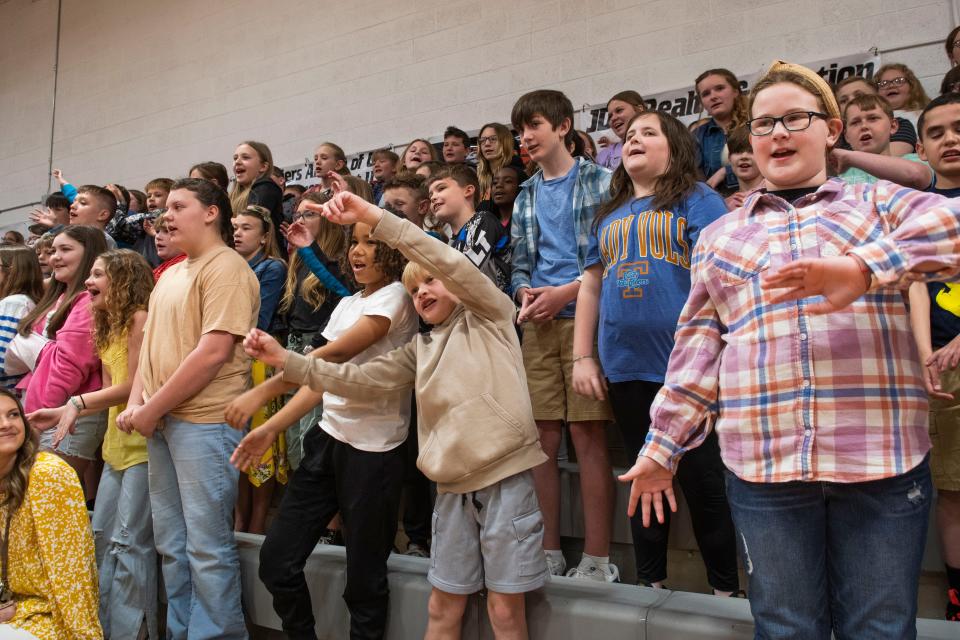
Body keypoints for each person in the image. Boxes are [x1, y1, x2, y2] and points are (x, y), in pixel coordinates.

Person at [622, 60, 944, 639]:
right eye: (764, 124)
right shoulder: (722, 234)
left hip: (879, 459)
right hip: (764, 469)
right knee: (785, 629)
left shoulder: (879, 207)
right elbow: (696, 351)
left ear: (832, 130)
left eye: (795, 118)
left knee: (882, 630)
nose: (777, 134)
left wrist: (866, 268)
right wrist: (662, 447)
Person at [235, 191, 549, 640]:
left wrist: (373, 216)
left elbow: (447, 261)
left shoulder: (492, 313)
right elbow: (359, 378)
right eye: (415, 288)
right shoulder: (418, 349)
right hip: (451, 490)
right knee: (441, 608)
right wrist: (287, 361)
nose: (422, 292)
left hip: (503, 480)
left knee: (503, 612)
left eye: (431, 283)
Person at [572, 110, 740, 594]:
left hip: (689, 373)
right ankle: (651, 586)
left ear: (677, 149)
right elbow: (589, 285)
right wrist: (583, 356)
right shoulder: (608, 215)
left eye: (649, 133)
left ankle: (727, 591)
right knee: (643, 480)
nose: (634, 140)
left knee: (704, 486)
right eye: (628, 136)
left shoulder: (698, 199)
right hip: (625, 369)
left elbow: (721, 277)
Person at [227, 212, 417, 640]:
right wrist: (271, 427)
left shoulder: (396, 299)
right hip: (328, 440)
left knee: (365, 583)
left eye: (370, 242)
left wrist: (263, 391)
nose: (357, 250)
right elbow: (319, 380)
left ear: (392, 249)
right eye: (355, 241)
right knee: (277, 561)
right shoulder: (349, 303)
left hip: (375, 454)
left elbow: (331, 359)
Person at [116, 178, 258, 639]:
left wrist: (151, 409)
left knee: (207, 548)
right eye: (165, 208)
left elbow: (214, 352)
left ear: (212, 212)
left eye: (179, 206)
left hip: (205, 424)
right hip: (164, 421)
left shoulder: (227, 267)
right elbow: (151, 351)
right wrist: (138, 402)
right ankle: (182, 632)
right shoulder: (172, 273)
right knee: (173, 546)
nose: (166, 216)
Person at [510, 89, 617, 581]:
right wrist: (526, 293)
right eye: (519, 130)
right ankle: (548, 552)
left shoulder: (602, 182)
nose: (525, 137)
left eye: (533, 125)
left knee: (588, 435)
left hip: (586, 321)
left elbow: (614, 258)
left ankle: (598, 558)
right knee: (542, 439)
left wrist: (566, 293)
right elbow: (518, 264)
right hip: (540, 324)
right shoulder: (526, 193)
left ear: (563, 126)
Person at [28, 250, 157, 638]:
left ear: (124, 280)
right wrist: (64, 412)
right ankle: (99, 628)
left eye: (98, 274)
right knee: (100, 541)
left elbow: (135, 384)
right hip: (115, 449)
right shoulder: (108, 324)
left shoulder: (139, 320)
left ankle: (131, 632)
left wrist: (75, 403)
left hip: (141, 450)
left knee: (130, 546)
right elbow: (106, 391)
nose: (88, 281)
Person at [910, 92, 960, 621]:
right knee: (952, 487)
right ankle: (957, 597)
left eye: (959, 127)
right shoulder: (922, 210)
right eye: (938, 133)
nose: (950, 139)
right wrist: (924, 353)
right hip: (944, 369)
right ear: (921, 148)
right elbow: (917, 285)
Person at [0, 388, 101, 639]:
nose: (6, 424)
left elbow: (73, 576)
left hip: (48, 619)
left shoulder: (48, 476)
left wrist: (82, 635)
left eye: (13, 415)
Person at [18, 226, 107, 481]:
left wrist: (38, 416)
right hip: (44, 407)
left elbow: (69, 366)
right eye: (53, 250)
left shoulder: (87, 302)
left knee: (52, 501)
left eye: (65, 250)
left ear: (90, 255)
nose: (55, 257)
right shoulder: (59, 297)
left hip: (63, 411)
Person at [272, 191, 350, 472]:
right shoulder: (299, 259)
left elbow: (343, 297)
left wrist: (316, 345)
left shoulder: (337, 260)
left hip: (318, 349)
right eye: (298, 214)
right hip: (293, 346)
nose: (301, 220)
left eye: (309, 214)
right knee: (292, 437)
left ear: (326, 219)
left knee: (309, 436)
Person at [231, 204, 289, 535]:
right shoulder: (227, 267)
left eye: (247, 227)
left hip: (258, 361)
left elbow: (260, 320)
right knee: (238, 440)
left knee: (260, 442)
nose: (237, 232)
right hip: (233, 359)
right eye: (235, 226)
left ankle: (256, 522)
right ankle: (240, 519)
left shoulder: (272, 268)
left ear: (265, 237)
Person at [427, 164, 511, 294]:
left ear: (468, 191)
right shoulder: (451, 244)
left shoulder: (484, 220)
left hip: (505, 309)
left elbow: (467, 272)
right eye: (431, 194)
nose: (432, 197)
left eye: (441, 188)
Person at [836, 94, 931, 189]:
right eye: (855, 122)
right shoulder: (838, 172)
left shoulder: (916, 160)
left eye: (872, 118)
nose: (863, 126)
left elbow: (917, 175)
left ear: (893, 126)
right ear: (846, 136)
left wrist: (848, 157)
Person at [693, 69, 749, 194]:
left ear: (735, 91)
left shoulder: (756, 124)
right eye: (706, 94)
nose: (713, 96)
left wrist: (726, 171)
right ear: (702, 102)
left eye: (719, 88)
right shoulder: (696, 136)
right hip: (720, 207)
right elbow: (698, 185)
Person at [833, 76, 917, 156]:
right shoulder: (833, 137)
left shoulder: (901, 124)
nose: (852, 101)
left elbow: (889, 161)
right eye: (843, 100)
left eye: (860, 96)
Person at [0, 247, 43, 391]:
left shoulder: (14, 303)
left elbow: (2, 360)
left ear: (13, 270)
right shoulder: (21, 301)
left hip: (7, 392)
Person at [229, 140, 285, 251]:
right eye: (235, 158)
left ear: (263, 166)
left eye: (245, 157)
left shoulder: (267, 186)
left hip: (266, 262)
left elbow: (249, 222)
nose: (237, 162)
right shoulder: (233, 195)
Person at [595, 91, 645, 170]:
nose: (613, 118)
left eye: (619, 110)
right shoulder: (603, 157)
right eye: (610, 116)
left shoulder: (662, 143)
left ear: (639, 110)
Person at [475, 122, 520, 206]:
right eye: (483, 140)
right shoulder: (479, 177)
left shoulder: (515, 173)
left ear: (505, 142)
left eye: (493, 139)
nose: (487, 144)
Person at [875, 63, 932, 127]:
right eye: (884, 83)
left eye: (898, 81)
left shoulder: (929, 116)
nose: (891, 86)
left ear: (912, 86)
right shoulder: (871, 122)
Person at [723, 126, 764, 210]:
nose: (744, 156)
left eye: (751, 151)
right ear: (729, 158)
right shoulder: (724, 204)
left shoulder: (776, 195)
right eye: (737, 152)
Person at [148, 214, 186, 281]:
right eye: (157, 231)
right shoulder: (165, 266)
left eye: (166, 231)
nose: (157, 237)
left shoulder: (185, 267)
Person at [491, 165, 527, 229]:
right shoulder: (486, 224)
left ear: (520, 187)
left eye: (508, 181)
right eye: (495, 182)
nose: (498, 185)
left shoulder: (529, 223)